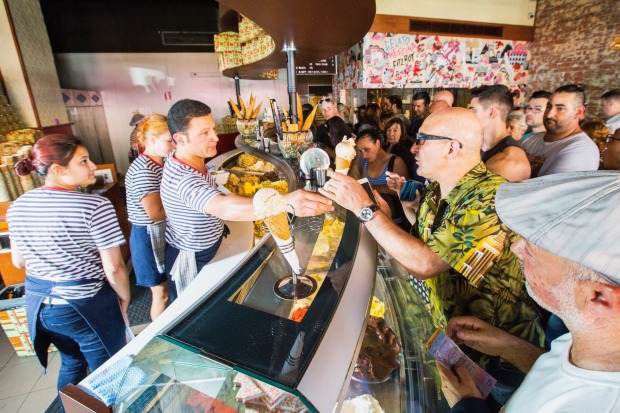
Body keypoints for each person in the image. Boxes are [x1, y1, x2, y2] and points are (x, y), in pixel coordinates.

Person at [321, 108, 544, 407]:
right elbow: (416, 243)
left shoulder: (490, 198)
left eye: (423, 140)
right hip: (452, 339)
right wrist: (384, 214)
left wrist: (365, 208)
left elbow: (426, 263)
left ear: (453, 146)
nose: (414, 146)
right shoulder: (437, 190)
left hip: (497, 357)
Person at [437, 171, 620, 413]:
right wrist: (509, 346)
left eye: (533, 248)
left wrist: (467, 407)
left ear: (599, 298)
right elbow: (563, 376)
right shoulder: (593, 338)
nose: (516, 248)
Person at [161, 99, 333, 300]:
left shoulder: (186, 160)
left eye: (213, 129)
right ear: (180, 139)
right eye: (204, 133)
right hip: (193, 259)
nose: (215, 137)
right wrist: (286, 202)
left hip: (212, 246)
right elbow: (223, 207)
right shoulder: (182, 178)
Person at [7, 134, 130, 394]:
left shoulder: (18, 206)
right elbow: (115, 268)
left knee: (72, 363)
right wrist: (124, 298)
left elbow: (18, 261)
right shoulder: (94, 206)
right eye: (84, 161)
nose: (93, 166)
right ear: (57, 170)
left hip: (40, 306)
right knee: (106, 368)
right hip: (82, 305)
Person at [125, 114, 175, 320]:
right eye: (169, 140)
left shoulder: (159, 163)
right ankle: (159, 338)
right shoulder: (144, 170)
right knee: (161, 294)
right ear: (152, 140)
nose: (173, 145)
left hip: (158, 234)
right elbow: (156, 214)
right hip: (148, 237)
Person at [520, 84, 600, 177]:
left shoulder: (582, 150)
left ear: (578, 112)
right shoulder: (530, 138)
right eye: (549, 106)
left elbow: (550, 190)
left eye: (560, 108)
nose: (549, 114)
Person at [469, 85, 530, 182]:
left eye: (473, 110)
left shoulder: (511, 161)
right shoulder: (476, 144)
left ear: (491, 113)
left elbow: (471, 194)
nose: (469, 115)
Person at [356, 127, 409, 228]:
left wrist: (373, 188)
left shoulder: (396, 162)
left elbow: (404, 192)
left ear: (377, 143)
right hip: (373, 217)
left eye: (366, 149)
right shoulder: (365, 163)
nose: (363, 155)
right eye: (361, 151)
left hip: (394, 219)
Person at [383, 117, 422, 183]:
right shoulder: (383, 148)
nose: (391, 134)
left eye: (395, 130)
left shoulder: (404, 152)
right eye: (389, 130)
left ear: (401, 133)